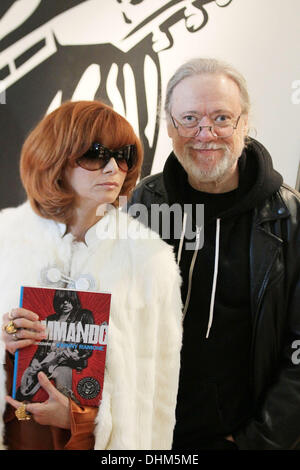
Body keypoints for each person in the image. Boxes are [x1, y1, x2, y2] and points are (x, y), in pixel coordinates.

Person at [128, 58, 300, 450]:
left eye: (222, 118)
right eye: (189, 118)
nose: (205, 134)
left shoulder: (288, 218)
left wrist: (255, 441)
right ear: (169, 126)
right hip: (150, 436)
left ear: (245, 124)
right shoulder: (144, 204)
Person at [0, 100, 183, 450]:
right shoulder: (5, 240)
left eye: (124, 155)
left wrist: (78, 417)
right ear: (55, 157)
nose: (114, 167)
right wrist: (7, 342)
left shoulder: (151, 260)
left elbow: (156, 397)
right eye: (96, 154)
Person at [16, 290, 94, 402]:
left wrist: (79, 355)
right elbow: (42, 347)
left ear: (74, 300)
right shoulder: (51, 319)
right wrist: (35, 361)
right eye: (62, 300)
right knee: (21, 395)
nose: (66, 303)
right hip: (47, 361)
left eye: (69, 300)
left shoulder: (83, 315)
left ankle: (70, 410)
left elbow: (88, 344)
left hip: (66, 361)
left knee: (64, 399)